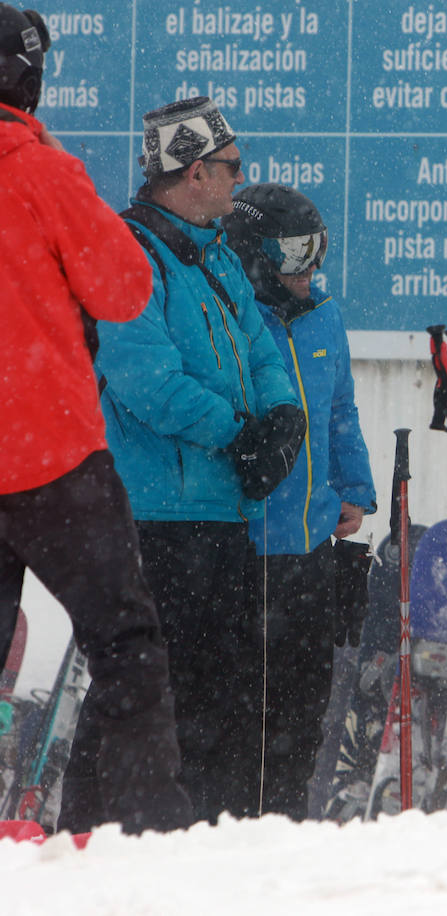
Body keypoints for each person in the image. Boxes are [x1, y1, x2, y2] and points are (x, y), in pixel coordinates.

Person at [75, 96, 305, 826]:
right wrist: (238, 434)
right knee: (143, 682)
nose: (242, 180)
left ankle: (200, 833)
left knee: (219, 690)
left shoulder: (215, 251)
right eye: (233, 166)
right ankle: (90, 830)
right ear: (196, 170)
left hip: (222, 511)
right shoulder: (129, 251)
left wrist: (282, 417)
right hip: (157, 515)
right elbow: (144, 377)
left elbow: (262, 345)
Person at [0, 4, 192, 834]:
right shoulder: (42, 172)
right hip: (49, 454)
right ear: (29, 78)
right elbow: (125, 289)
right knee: (125, 642)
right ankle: (131, 829)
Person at [224, 183, 377, 820]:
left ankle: (286, 828)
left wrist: (355, 489)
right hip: (247, 549)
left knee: (302, 708)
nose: (310, 267)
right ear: (257, 255)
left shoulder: (323, 314)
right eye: (295, 253)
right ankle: (231, 830)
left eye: (318, 251)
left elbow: (339, 410)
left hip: (312, 547)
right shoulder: (233, 316)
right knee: (239, 714)